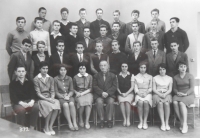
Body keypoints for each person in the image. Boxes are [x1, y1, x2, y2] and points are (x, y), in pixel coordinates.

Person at [33, 61, 60, 135]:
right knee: (50, 106)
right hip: (41, 99)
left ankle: (50, 126)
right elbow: (38, 93)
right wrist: (48, 100)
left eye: (46, 68)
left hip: (50, 98)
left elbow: (52, 90)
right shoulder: (36, 79)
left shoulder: (50, 78)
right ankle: (46, 126)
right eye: (43, 68)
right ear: (40, 69)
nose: (45, 70)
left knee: (57, 104)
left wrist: (52, 98)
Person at [93, 61, 117, 128]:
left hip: (109, 95)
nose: (103, 67)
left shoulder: (113, 76)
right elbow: (94, 86)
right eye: (101, 65)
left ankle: (109, 120)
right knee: (99, 102)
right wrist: (101, 93)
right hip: (99, 95)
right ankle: (102, 120)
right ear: (99, 67)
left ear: (108, 66)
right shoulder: (96, 76)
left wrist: (107, 93)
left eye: (104, 65)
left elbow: (114, 86)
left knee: (111, 102)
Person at [54, 64, 78, 131]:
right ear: (59, 71)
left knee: (71, 104)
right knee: (65, 104)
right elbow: (56, 92)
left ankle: (74, 122)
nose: (63, 71)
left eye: (64, 70)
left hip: (69, 95)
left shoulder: (69, 78)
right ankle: (69, 123)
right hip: (61, 97)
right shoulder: (55, 79)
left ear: (66, 71)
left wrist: (68, 96)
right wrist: (63, 97)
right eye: (61, 70)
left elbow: (71, 90)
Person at [173, 61, 195, 134]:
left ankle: (185, 124)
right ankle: (181, 122)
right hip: (179, 94)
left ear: (186, 68)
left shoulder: (190, 76)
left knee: (181, 103)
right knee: (175, 102)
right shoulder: (175, 77)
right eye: (181, 66)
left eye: (184, 67)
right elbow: (174, 88)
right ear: (178, 68)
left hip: (189, 94)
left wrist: (186, 94)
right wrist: (177, 92)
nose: (183, 68)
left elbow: (192, 88)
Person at [152, 63, 173, 131]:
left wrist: (165, 94)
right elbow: (154, 89)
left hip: (167, 94)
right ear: (158, 70)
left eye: (163, 69)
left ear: (166, 70)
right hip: (157, 94)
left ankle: (167, 122)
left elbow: (170, 89)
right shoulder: (155, 78)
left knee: (166, 103)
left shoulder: (169, 78)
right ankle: (162, 123)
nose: (162, 71)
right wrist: (160, 94)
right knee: (160, 103)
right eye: (160, 69)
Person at [133, 62, 152, 130]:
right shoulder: (136, 77)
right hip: (139, 93)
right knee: (140, 102)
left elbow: (150, 87)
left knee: (146, 102)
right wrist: (138, 93)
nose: (143, 69)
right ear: (139, 68)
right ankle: (140, 121)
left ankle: (145, 121)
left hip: (147, 93)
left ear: (146, 68)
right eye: (141, 67)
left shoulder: (150, 77)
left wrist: (146, 93)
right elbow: (135, 87)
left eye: (144, 68)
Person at [73, 62, 93, 129]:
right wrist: (77, 93)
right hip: (78, 93)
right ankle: (81, 119)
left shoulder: (90, 76)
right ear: (78, 69)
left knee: (88, 102)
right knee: (81, 102)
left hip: (87, 93)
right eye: (80, 68)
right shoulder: (75, 77)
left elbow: (90, 88)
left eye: (83, 68)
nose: (82, 70)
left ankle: (87, 121)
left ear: (86, 69)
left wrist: (82, 94)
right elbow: (73, 88)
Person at [117, 62, 134, 127]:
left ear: (127, 67)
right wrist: (121, 93)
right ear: (121, 67)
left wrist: (126, 93)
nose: (124, 68)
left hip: (129, 93)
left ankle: (128, 119)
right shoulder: (118, 75)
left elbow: (132, 87)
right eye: (123, 66)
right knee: (121, 102)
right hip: (121, 93)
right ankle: (124, 119)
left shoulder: (131, 75)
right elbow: (117, 87)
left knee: (127, 102)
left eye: (125, 66)